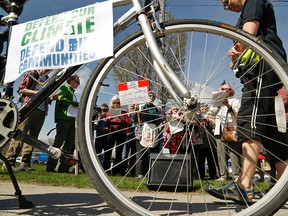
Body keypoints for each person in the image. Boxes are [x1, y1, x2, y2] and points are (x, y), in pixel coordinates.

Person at [207, 0, 288, 205]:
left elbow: (249, 32)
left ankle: (244, 186)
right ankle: (285, 188)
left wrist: (235, 49)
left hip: (262, 66)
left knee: (249, 119)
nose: (225, 6)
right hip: (267, 68)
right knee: (271, 133)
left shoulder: (253, 1)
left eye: (225, 1)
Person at [2, 69, 53, 172]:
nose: (50, 69)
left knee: (33, 138)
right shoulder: (32, 73)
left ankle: (25, 163)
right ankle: (9, 161)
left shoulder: (47, 79)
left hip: (42, 111)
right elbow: (21, 89)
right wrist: (39, 93)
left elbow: (46, 97)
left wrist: (50, 97)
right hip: (30, 108)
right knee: (20, 134)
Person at [46, 75, 80, 173]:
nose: (78, 84)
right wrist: (74, 103)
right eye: (77, 82)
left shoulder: (72, 93)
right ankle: (50, 167)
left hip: (71, 119)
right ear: (71, 80)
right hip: (63, 118)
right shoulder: (64, 88)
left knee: (69, 143)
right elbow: (61, 99)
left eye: (78, 83)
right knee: (59, 142)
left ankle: (63, 167)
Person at [210, 82, 241, 181]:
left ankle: (236, 174)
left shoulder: (235, 101)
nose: (223, 91)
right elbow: (212, 112)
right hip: (219, 129)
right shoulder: (217, 102)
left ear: (229, 91)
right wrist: (219, 104)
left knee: (233, 152)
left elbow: (237, 114)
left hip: (230, 128)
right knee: (221, 153)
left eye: (225, 90)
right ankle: (223, 175)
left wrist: (228, 105)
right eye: (222, 90)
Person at [136, 91, 162, 178]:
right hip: (144, 129)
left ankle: (152, 172)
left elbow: (160, 120)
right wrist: (136, 111)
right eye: (149, 96)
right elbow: (136, 120)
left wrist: (160, 114)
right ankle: (140, 172)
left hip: (154, 129)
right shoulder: (141, 107)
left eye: (152, 96)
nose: (151, 98)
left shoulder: (156, 108)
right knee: (142, 152)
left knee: (153, 153)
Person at [105, 95, 131, 175]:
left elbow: (128, 124)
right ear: (111, 103)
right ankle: (106, 169)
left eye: (118, 103)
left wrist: (122, 119)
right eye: (114, 102)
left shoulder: (124, 113)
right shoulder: (109, 112)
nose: (116, 104)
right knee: (108, 152)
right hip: (111, 133)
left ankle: (116, 171)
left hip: (121, 134)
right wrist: (108, 119)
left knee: (119, 153)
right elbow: (106, 124)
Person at [195, 103, 218, 180]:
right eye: (201, 108)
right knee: (200, 160)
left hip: (210, 142)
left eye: (205, 108)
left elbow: (215, 124)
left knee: (211, 160)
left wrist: (208, 120)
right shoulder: (197, 116)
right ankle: (200, 176)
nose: (203, 109)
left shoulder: (211, 115)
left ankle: (213, 175)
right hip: (200, 141)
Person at [94, 103, 110, 171]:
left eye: (106, 110)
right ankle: (97, 168)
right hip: (99, 136)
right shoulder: (98, 117)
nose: (104, 112)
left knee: (107, 153)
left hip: (107, 137)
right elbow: (94, 126)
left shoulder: (108, 117)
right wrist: (101, 129)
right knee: (98, 153)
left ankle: (106, 168)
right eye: (102, 110)